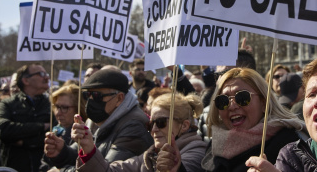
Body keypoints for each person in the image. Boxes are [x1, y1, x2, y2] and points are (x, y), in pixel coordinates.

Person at [197, 67, 305, 171]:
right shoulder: (215, 145)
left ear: (263, 103)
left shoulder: (289, 145)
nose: (232, 106)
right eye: (223, 100)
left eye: (242, 97)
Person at [43, 69, 153, 171]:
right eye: (87, 95)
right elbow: (78, 152)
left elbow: (107, 168)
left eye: (96, 95)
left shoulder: (134, 125)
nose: (90, 100)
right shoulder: (95, 119)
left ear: (119, 98)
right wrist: (61, 151)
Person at [71, 92, 207, 172]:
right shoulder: (150, 155)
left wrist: (176, 168)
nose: (153, 130)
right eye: (150, 123)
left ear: (184, 125)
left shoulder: (196, 151)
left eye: (161, 123)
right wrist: (89, 149)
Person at [0, 64, 52, 172]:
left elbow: (56, 133)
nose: (46, 78)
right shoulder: (7, 104)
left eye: (46, 74)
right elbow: (4, 131)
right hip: (14, 167)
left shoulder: (52, 104)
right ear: (26, 80)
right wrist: (41, 126)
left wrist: (23, 142)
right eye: (41, 74)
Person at [40, 84, 88, 171]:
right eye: (57, 107)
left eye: (64, 108)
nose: (58, 113)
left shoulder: (86, 132)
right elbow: (45, 162)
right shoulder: (57, 129)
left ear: (79, 108)